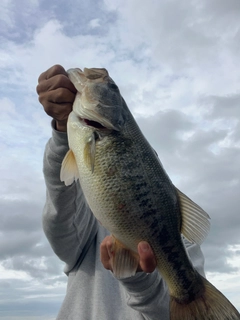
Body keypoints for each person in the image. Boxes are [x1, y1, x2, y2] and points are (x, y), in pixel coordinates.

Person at [36, 65, 206, 320]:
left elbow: (167, 315)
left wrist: (140, 280)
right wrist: (62, 132)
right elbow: (61, 215)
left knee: (186, 289)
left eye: (111, 88)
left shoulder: (180, 242)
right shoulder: (86, 228)